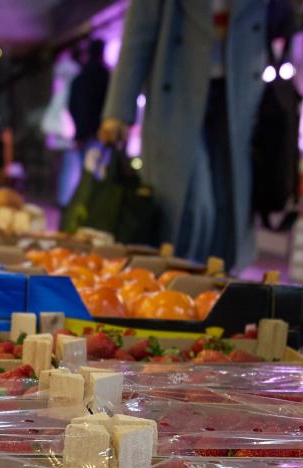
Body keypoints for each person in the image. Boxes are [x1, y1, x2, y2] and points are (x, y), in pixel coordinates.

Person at [98, 0, 271, 267]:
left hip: (237, 95)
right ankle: (177, 283)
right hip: (178, 92)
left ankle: (217, 289)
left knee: (228, 206)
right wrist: (118, 111)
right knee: (193, 205)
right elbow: (138, 35)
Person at [68, 40, 110, 151]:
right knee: (101, 166)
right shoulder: (105, 77)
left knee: (87, 166)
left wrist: (79, 133)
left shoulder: (79, 79)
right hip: (102, 133)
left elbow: (72, 106)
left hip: (84, 134)